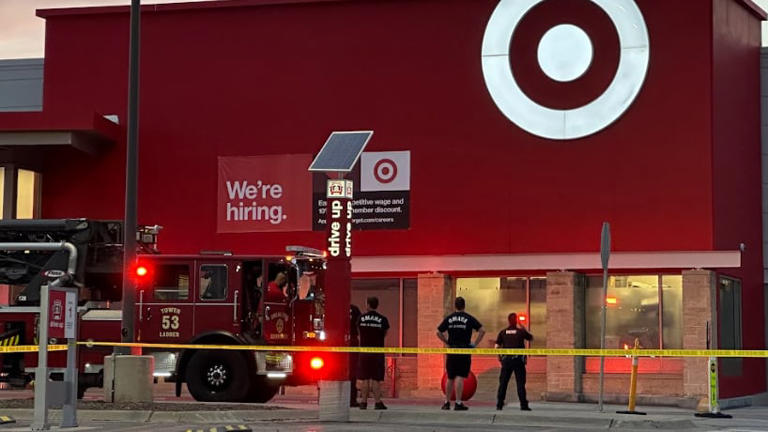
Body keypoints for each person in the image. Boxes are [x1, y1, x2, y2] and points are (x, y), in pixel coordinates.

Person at [436, 296, 485, 411]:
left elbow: (438, 332)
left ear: (455, 306)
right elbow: (482, 330)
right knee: (460, 376)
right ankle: (458, 403)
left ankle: (447, 402)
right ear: (464, 306)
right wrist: (475, 344)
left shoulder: (449, 318)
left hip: (452, 350)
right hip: (464, 350)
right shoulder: (468, 318)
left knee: (450, 376)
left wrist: (446, 342)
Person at [495, 312, 533, 411]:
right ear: (516, 320)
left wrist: (499, 356)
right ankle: (523, 404)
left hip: (506, 360)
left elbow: (496, 346)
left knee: (503, 382)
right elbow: (531, 337)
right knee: (520, 383)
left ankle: (499, 404)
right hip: (518, 361)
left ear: (508, 321)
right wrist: (522, 326)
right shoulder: (520, 332)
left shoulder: (503, 332)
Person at [357, 296, 389, 410]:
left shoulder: (361, 318)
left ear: (368, 304)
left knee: (365, 378)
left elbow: (359, 332)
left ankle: (363, 402)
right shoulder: (383, 319)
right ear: (377, 305)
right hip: (377, 352)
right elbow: (385, 333)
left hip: (364, 352)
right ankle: (377, 402)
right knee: (376, 379)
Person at [349, 304, 362, 407]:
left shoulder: (334, 307)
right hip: (353, 341)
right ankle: (352, 400)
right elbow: (359, 326)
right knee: (352, 372)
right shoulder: (354, 309)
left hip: (336, 341)